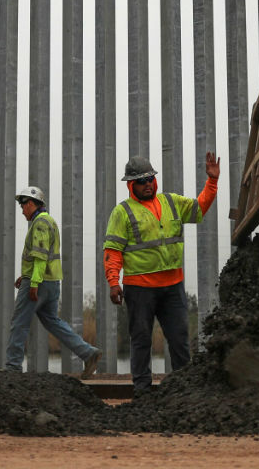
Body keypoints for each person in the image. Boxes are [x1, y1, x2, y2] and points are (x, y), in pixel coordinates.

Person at [104, 152, 221, 395]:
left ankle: (184, 390)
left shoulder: (171, 202)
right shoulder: (122, 212)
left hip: (172, 287)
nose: (147, 184)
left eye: (150, 179)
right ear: (131, 185)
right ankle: (143, 391)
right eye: (141, 181)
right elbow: (113, 250)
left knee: (179, 340)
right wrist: (113, 281)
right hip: (139, 289)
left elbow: (199, 209)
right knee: (141, 340)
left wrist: (212, 182)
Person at [5, 184, 102, 378]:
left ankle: (13, 368)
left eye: (23, 205)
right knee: (53, 322)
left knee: (19, 322)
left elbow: (40, 256)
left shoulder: (40, 223)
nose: (22, 209)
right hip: (51, 283)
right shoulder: (49, 221)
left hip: (39, 284)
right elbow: (43, 256)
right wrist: (25, 275)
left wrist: (33, 282)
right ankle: (88, 352)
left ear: (32, 203)